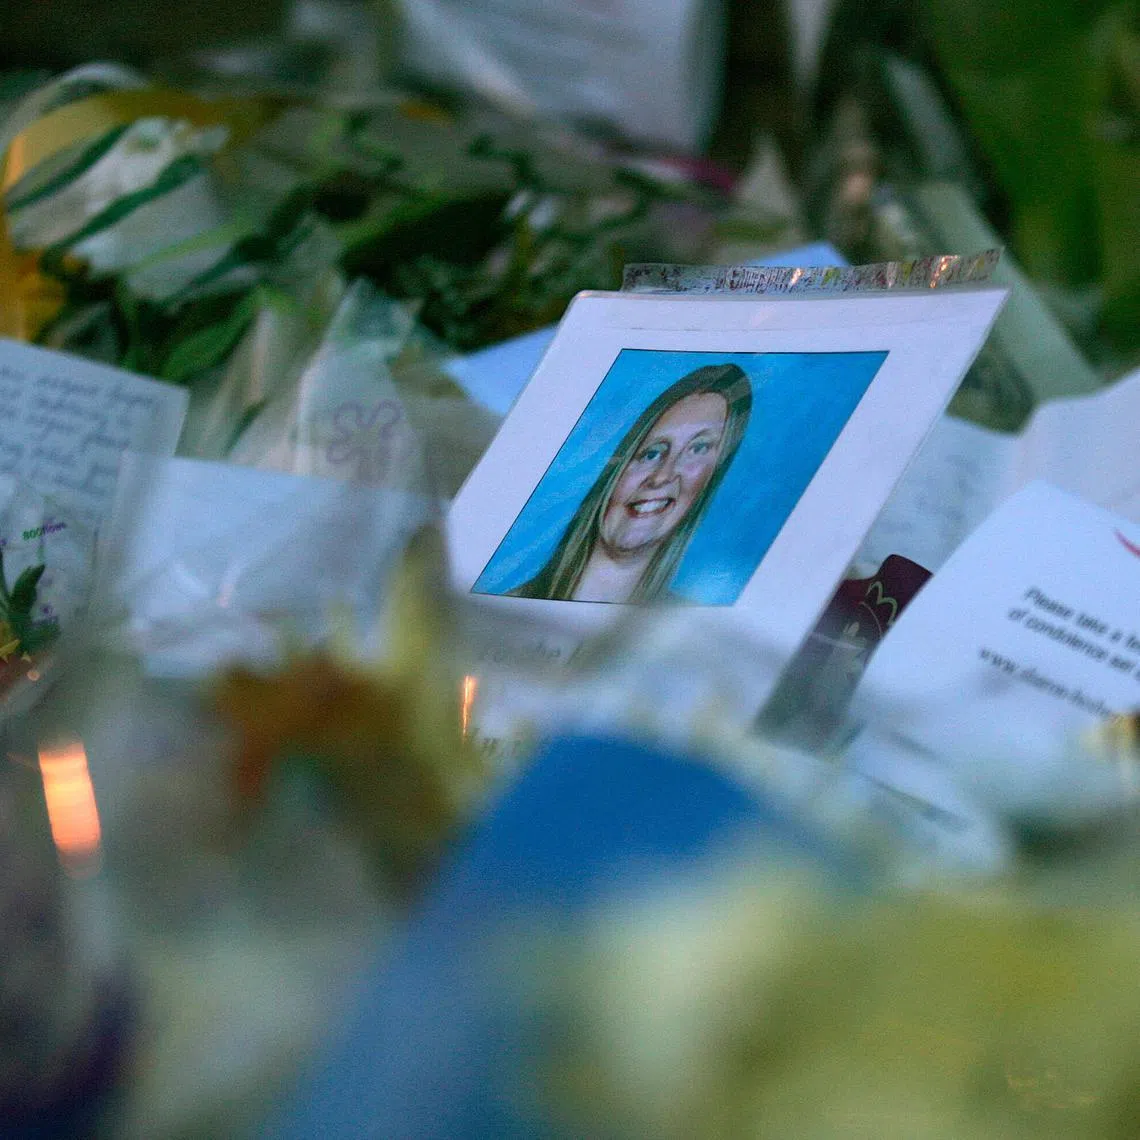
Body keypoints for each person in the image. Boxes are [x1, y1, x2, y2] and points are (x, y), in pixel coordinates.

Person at [509, 362, 752, 603]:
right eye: (651, 453)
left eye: (697, 449)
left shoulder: (692, 630)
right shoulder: (500, 611)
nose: (661, 476)